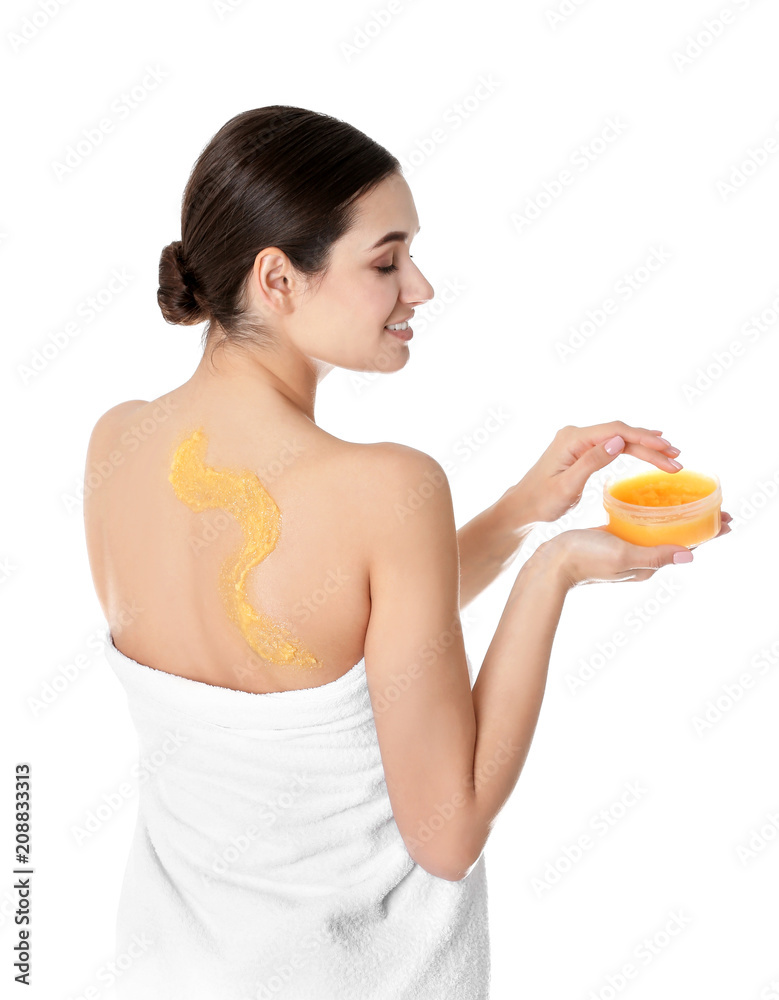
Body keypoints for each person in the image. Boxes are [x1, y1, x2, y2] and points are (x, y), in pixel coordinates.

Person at [83, 105, 732, 1000]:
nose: (419, 288)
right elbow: (447, 834)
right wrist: (552, 571)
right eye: (386, 262)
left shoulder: (117, 442)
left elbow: (336, 635)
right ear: (277, 278)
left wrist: (519, 511)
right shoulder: (387, 488)